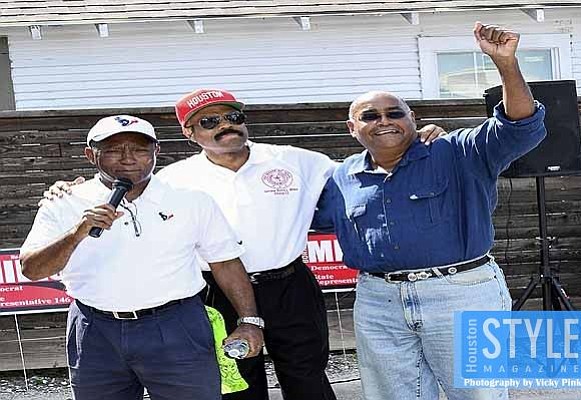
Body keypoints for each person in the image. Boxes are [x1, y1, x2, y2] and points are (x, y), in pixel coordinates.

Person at [43, 95, 446, 400]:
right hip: (216, 290)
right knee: (237, 382)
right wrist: (70, 188)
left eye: (233, 117)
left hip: (289, 284)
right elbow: (123, 184)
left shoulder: (296, 160)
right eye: (209, 122)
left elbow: (368, 170)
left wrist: (419, 141)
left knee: (306, 376)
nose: (225, 126)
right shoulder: (173, 179)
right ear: (189, 133)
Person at [312, 22, 547, 400]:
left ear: (413, 119)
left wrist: (506, 64)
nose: (384, 120)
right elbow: (294, 216)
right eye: (370, 116)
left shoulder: (459, 152)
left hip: (462, 295)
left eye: (395, 113)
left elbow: (520, 127)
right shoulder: (340, 177)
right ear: (352, 128)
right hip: (378, 302)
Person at [19, 115, 264, 400]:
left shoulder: (191, 199)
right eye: (113, 150)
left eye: (139, 149)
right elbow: (31, 269)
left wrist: (249, 320)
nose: (128, 158)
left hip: (176, 325)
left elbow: (225, 262)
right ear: (90, 154)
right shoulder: (64, 202)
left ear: (156, 151)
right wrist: (77, 232)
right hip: (96, 329)